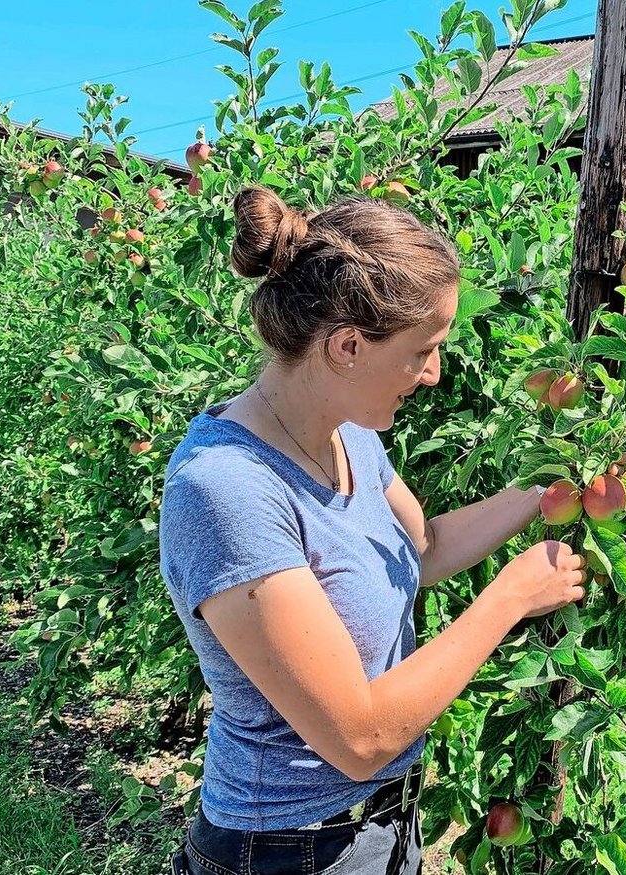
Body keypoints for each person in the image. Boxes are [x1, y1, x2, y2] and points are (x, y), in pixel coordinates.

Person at [158, 185, 587, 875]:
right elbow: (360, 736)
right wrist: (509, 598)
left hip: (379, 829)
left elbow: (420, 550)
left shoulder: (350, 435)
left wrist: (544, 493)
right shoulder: (227, 491)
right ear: (349, 346)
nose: (434, 373)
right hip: (289, 850)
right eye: (424, 350)